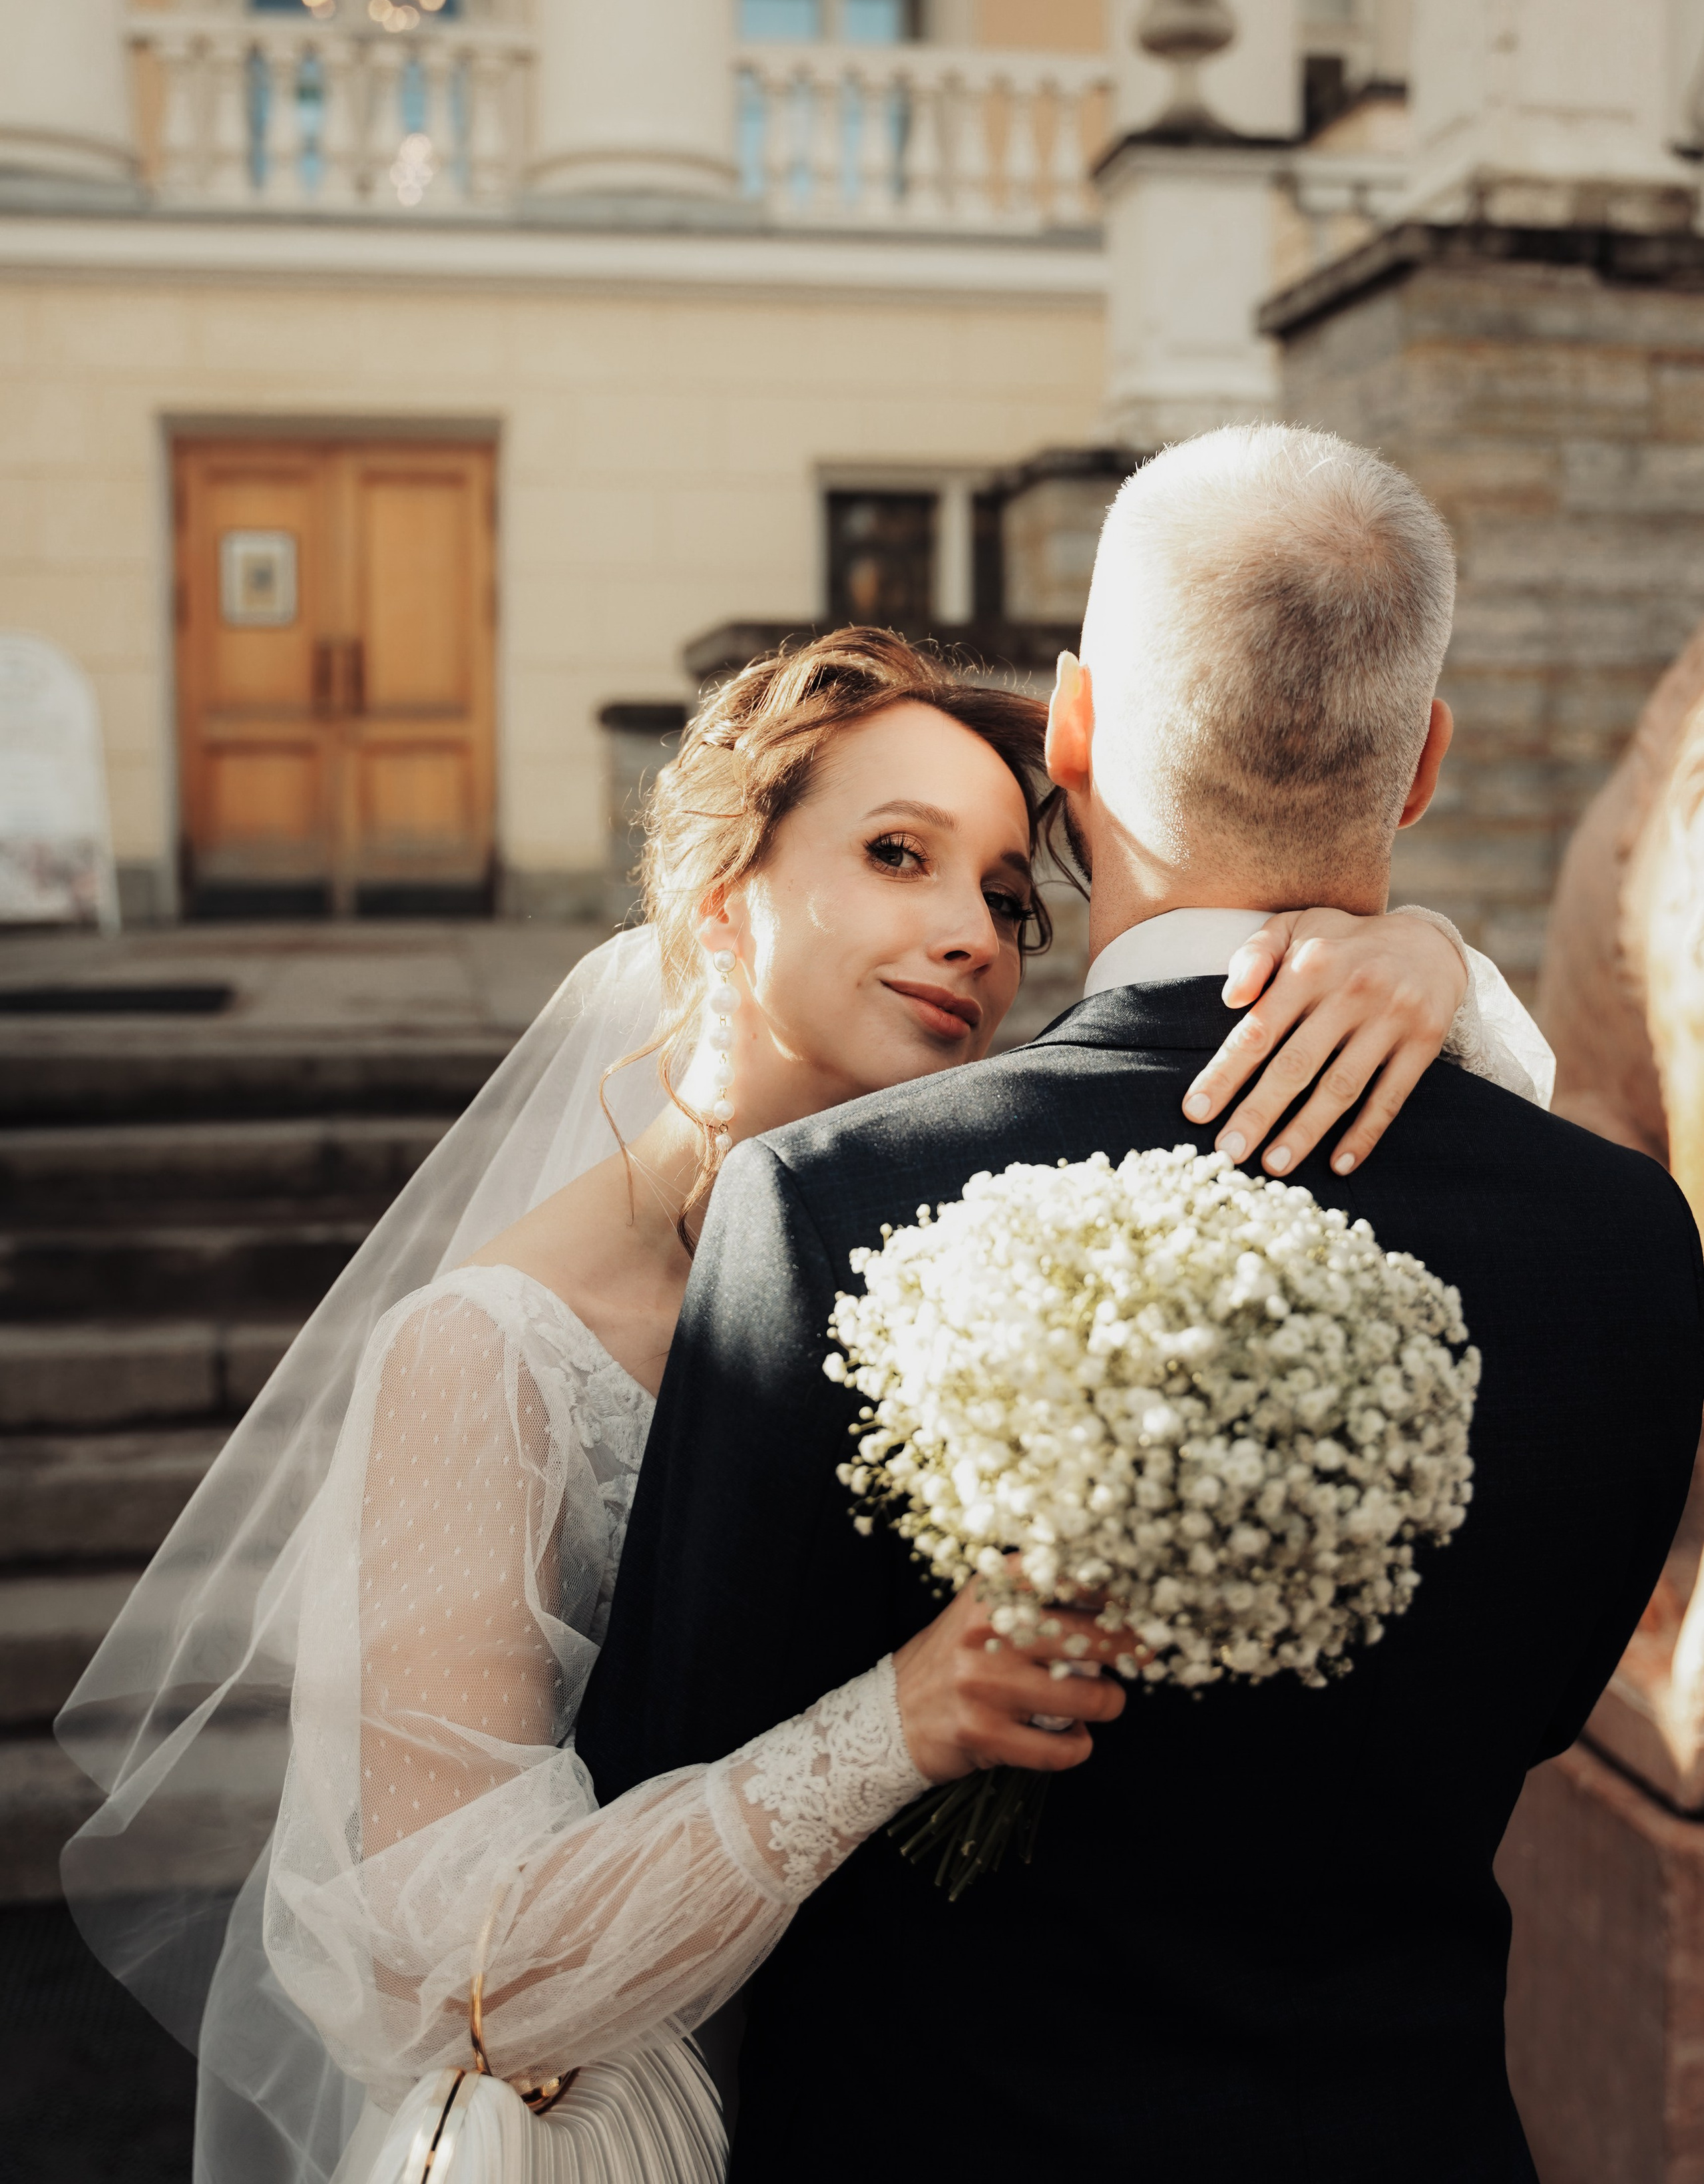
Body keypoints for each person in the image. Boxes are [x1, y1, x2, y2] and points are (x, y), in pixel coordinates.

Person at [59, 627, 1546, 2184]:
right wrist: (888, 1729)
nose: (970, 937)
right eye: (897, 855)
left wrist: (1434, 967)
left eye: (1003, 897)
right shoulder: (489, 1352)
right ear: (719, 895)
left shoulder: (1000, 1241)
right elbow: (446, 1967)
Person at [576, 437, 1704, 2184]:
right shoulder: (1626, 1239)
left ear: (1075, 732)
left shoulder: (825, 1209)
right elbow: (1554, 1699)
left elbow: (660, 1775)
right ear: (1425, 766)